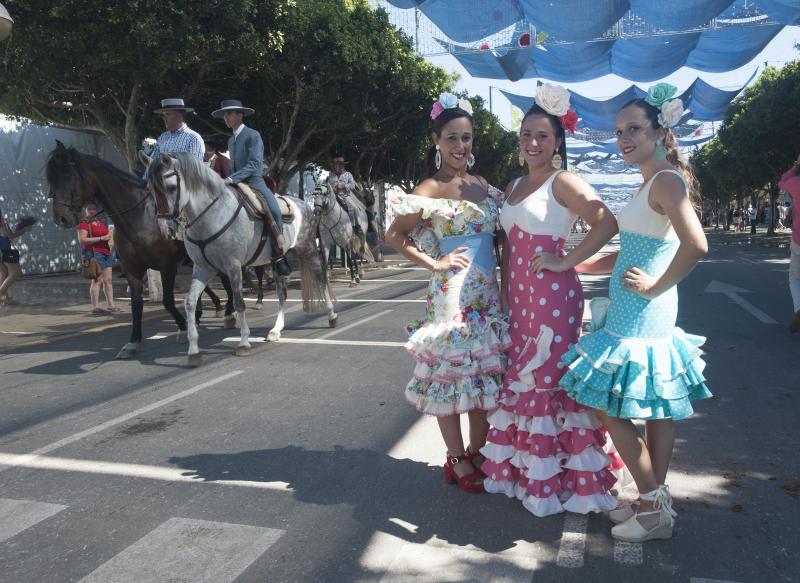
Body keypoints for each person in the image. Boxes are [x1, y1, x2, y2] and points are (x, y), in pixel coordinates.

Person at [559, 84, 712, 543]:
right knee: (657, 409)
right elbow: (634, 251)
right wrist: (577, 265)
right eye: (620, 131)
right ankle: (652, 507)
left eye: (634, 129)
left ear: (659, 132)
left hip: (642, 311)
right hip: (640, 307)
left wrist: (655, 286)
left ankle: (651, 502)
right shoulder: (653, 180)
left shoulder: (665, 180)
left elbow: (696, 245)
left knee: (605, 402)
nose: (624, 138)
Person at [480, 83, 622, 517]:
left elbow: (606, 222)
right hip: (520, 300)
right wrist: (505, 294)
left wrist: (566, 261)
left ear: (557, 142)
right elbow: (507, 245)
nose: (533, 142)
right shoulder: (513, 184)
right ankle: (529, 473)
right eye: (527, 134)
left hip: (553, 298)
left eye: (542, 135)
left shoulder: (564, 181)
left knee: (548, 379)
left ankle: (567, 481)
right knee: (525, 378)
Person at [385, 92, 511, 494]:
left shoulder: (482, 185)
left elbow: (499, 240)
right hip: (451, 296)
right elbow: (394, 234)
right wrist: (434, 263)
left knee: (482, 375)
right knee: (450, 376)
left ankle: (478, 450)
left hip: (486, 297)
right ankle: (456, 458)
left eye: (466, 138)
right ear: (436, 141)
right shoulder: (429, 188)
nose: (460, 146)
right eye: (451, 138)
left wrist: (506, 286)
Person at [212, 99, 291, 276]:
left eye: (229, 113)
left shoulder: (253, 135)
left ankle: (279, 254)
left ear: (240, 115)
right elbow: (232, 165)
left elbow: (254, 164)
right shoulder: (231, 140)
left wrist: (231, 178)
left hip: (254, 181)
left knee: (273, 209)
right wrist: (227, 179)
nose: (226, 117)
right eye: (224, 114)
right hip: (235, 182)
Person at [77, 203, 120, 314]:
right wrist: (101, 238)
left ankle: (111, 305)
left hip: (106, 252)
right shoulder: (84, 224)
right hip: (94, 254)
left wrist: (109, 240)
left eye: (94, 209)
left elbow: (107, 235)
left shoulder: (99, 221)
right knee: (97, 280)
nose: (92, 211)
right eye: (89, 209)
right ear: (85, 210)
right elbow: (82, 240)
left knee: (108, 280)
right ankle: (95, 307)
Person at [144, 98, 204, 175]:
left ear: (180, 116)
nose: (164, 118)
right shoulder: (162, 138)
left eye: (168, 114)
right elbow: (152, 163)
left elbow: (194, 168)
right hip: (160, 181)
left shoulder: (193, 138)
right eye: (163, 115)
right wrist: (144, 179)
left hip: (182, 182)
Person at [779, 154, 800, 333]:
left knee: (794, 277)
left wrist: (796, 165)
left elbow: (782, 181)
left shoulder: (796, 183)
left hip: (798, 240)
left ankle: (799, 307)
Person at [0, 207, 34, 304]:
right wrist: (24, 230)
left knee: (4, 273)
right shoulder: (2, 220)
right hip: (4, 249)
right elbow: (10, 235)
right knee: (16, 272)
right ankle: (1, 293)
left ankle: (4, 299)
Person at [327, 157, 362, 234]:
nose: (337, 167)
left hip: (345, 196)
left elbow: (352, 185)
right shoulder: (331, 175)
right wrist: (332, 188)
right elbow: (328, 185)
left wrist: (343, 186)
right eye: (335, 165)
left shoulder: (348, 175)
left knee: (355, 208)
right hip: (333, 196)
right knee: (323, 206)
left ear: (342, 165)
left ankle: (357, 226)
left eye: (339, 165)